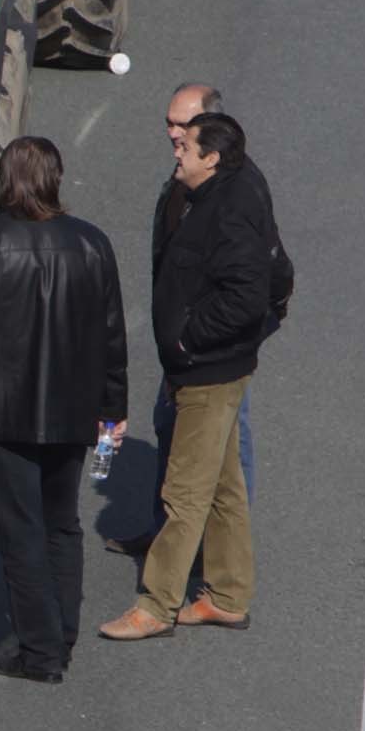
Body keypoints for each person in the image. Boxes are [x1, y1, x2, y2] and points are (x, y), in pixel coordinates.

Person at [0, 136, 127, 682]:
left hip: (5, 411)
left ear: (3, 178)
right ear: (55, 177)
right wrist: (112, 407)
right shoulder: (91, 243)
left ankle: (40, 652)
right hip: (74, 411)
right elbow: (111, 334)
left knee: (19, 530)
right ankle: (60, 632)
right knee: (62, 524)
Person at [101, 113, 275, 639]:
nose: (177, 151)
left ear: (212, 158)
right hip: (216, 366)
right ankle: (226, 595)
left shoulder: (225, 212)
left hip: (206, 373)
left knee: (184, 494)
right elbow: (276, 274)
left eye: (188, 146)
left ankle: (156, 606)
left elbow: (250, 293)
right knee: (223, 487)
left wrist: (188, 339)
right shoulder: (229, 193)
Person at [108, 81, 261, 551]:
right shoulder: (189, 177)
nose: (174, 134)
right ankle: (167, 531)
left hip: (206, 350)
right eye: (170, 123)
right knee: (169, 423)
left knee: (227, 448)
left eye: (185, 125)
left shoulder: (234, 193)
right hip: (184, 345)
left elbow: (258, 284)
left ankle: (189, 559)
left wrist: (190, 337)